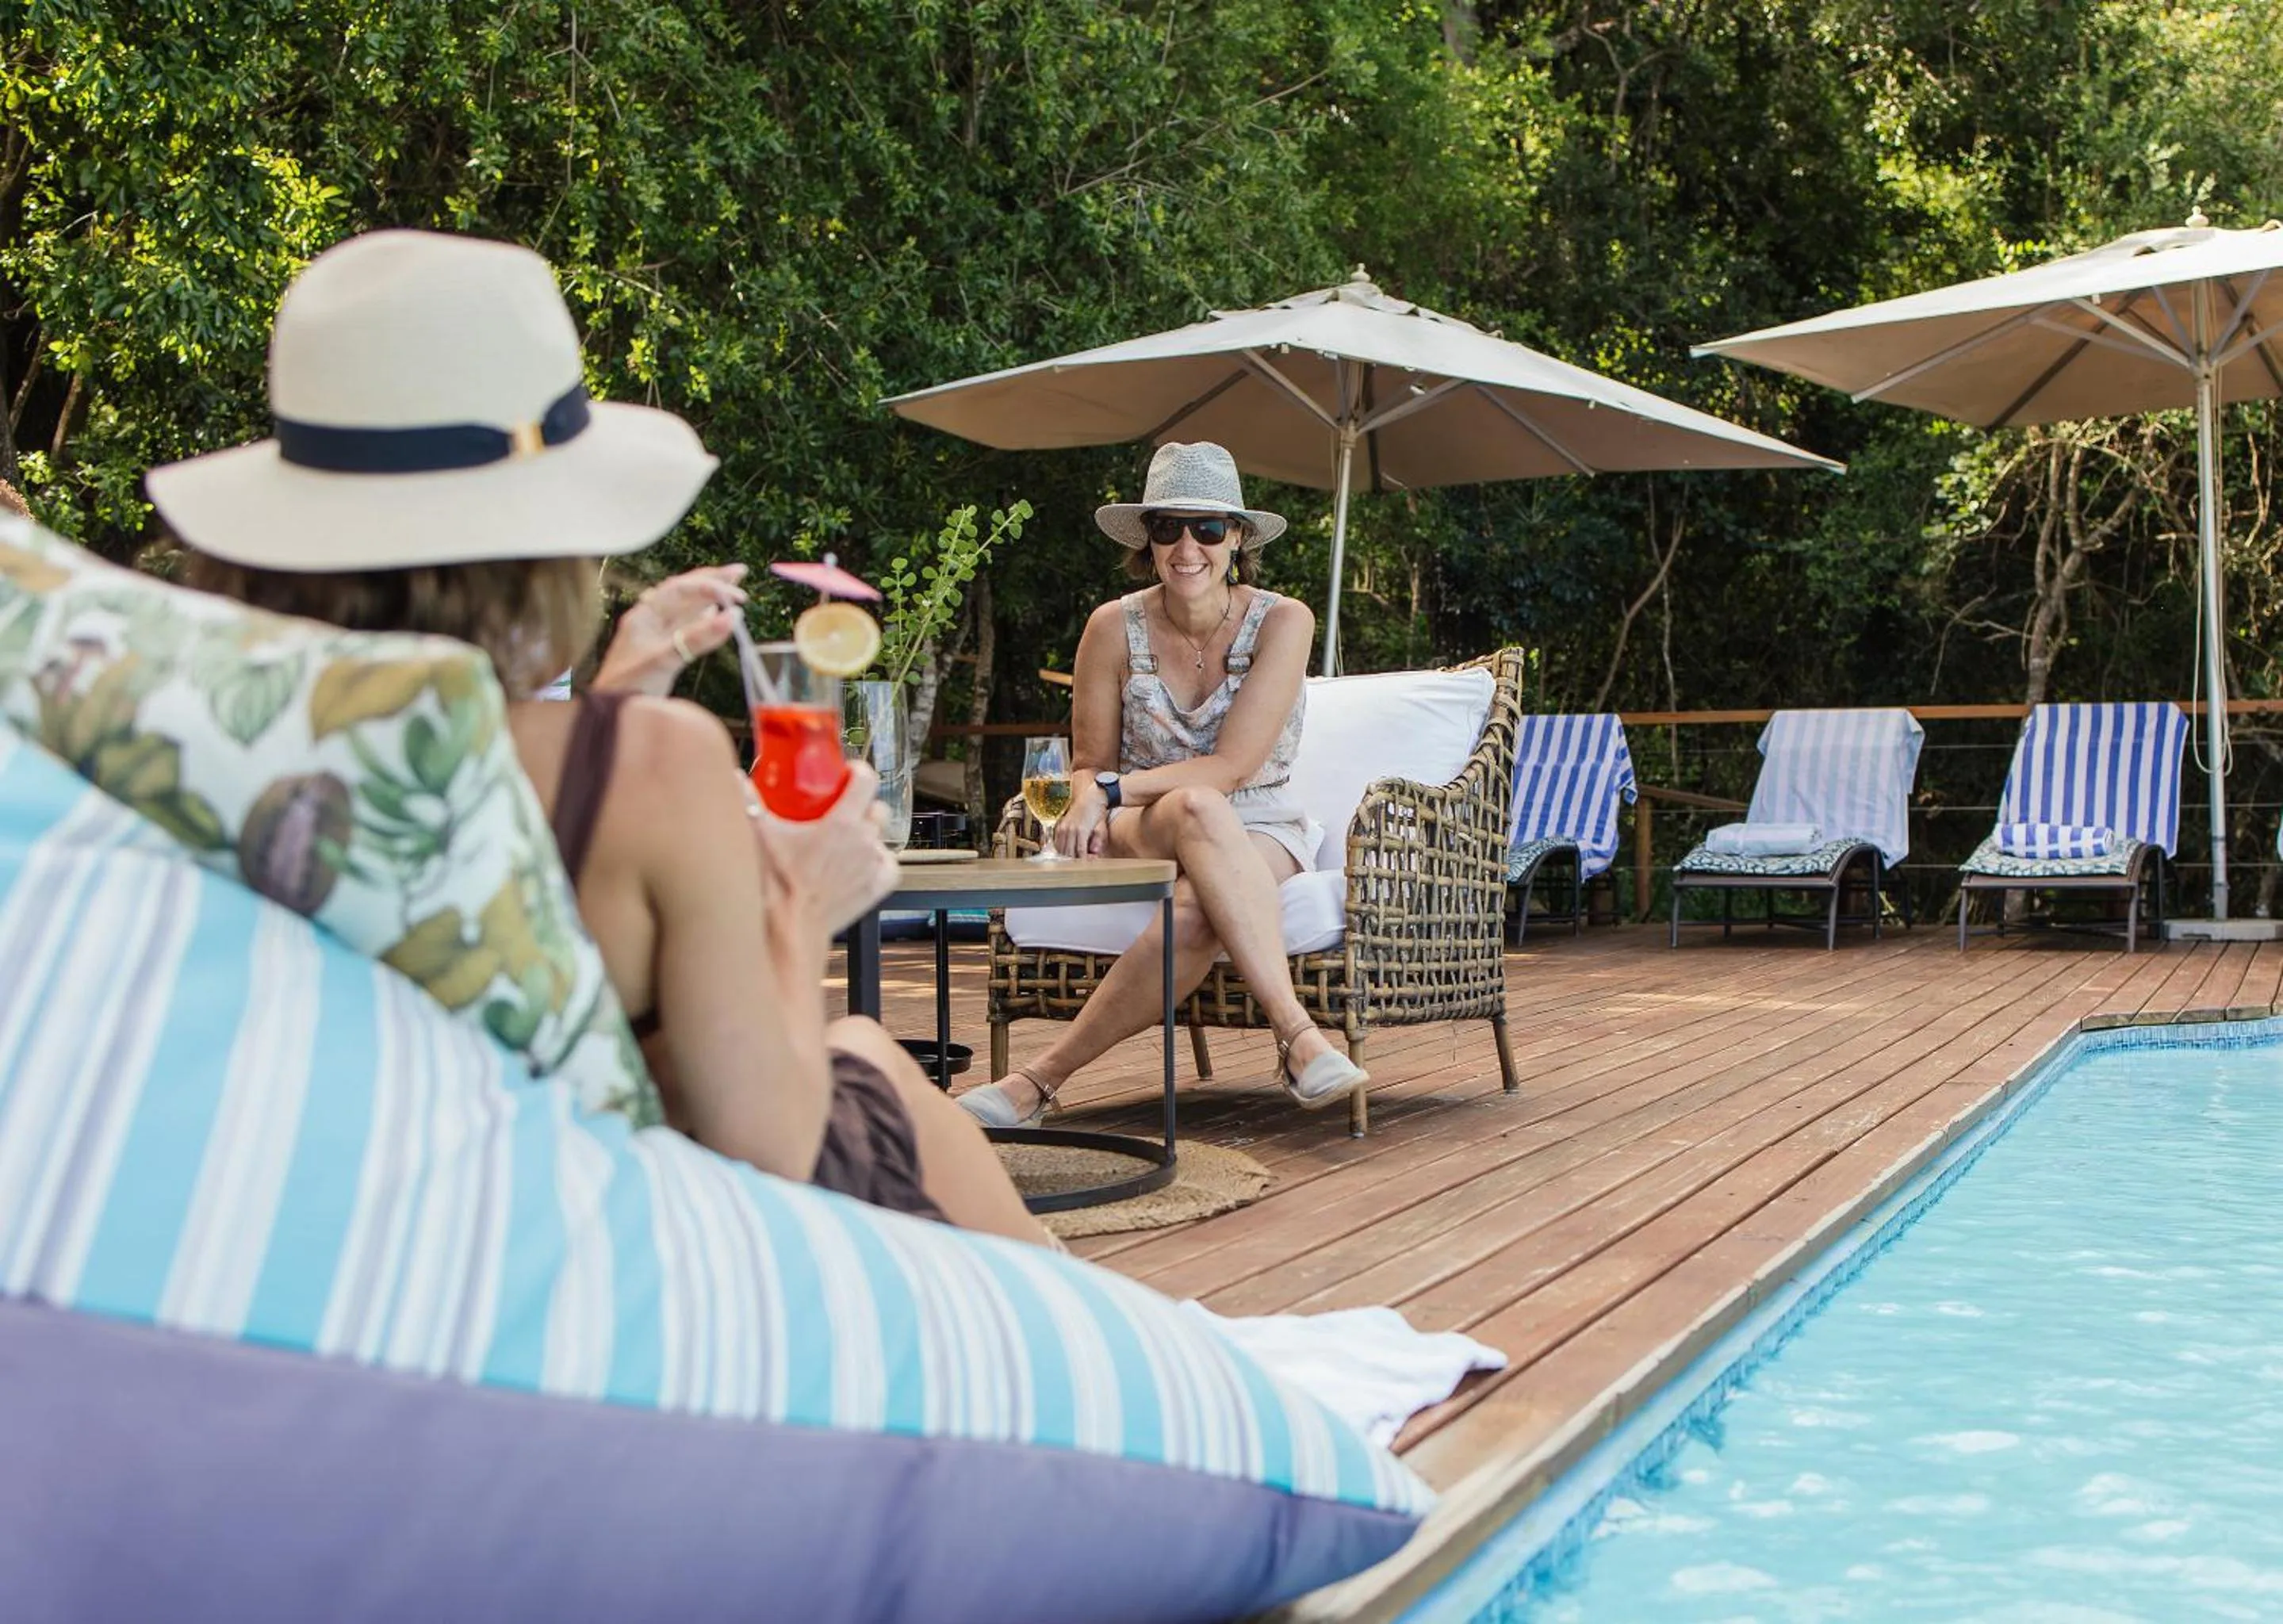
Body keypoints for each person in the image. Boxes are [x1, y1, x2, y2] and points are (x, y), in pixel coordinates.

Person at [147, 228, 1049, 1247]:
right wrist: (800, 902)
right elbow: (771, 1145)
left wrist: (613, 694)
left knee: (869, 1059)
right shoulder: (648, 765)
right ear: (546, 542)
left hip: (337, 1225)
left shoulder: (182, 745)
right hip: (595, 1239)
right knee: (870, 1069)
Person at [956, 441, 1369, 1128]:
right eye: (1167, 527)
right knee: (1193, 807)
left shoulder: (1284, 621)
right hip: (1139, 829)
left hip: (1258, 824)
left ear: (1236, 538)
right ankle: (1297, 1039)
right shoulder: (1111, 627)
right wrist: (1099, 790)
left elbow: (1232, 769)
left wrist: (1113, 790)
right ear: (1146, 541)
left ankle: (1034, 1083)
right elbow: (1089, 761)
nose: (1187, 547)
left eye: (1208, 529)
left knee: (1197, 894)